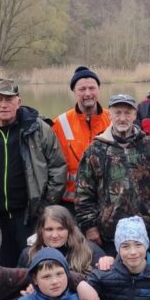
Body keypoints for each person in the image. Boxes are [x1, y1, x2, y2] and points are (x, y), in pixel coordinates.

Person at [0, 77, 67, 268]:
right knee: (3, 270)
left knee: (35, 266)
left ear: (18, 102)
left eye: (9, 99)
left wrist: (45, 207)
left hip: (30, 216)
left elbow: (58, 169)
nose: (4, 105)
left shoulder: (39, 129)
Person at [74, 93, 150, 255]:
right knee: (114, 278)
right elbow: (83, 193)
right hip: (109, 233)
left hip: (149, 231)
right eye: (118, 113)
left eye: (127, 113)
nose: (122, 118)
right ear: (110, 114)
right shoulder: (94, 150)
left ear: (135, 115)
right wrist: (89, 227)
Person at [2, 204, 114, 300]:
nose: (55, 235)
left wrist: (109, 263)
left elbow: (110, 293)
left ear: (70, 229)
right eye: (49, 229)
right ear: (41, 231)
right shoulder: (28, 255)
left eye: (60, 228)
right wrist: (26, 299)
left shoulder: (90, 250)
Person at [51, 66, 111, 211]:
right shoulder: (59, 123)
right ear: (74, 92)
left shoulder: (113, 119)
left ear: (98, 89)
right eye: (82, 89)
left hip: (108, 201)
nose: (88, 93)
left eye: (92, 88)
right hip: (71, 204)